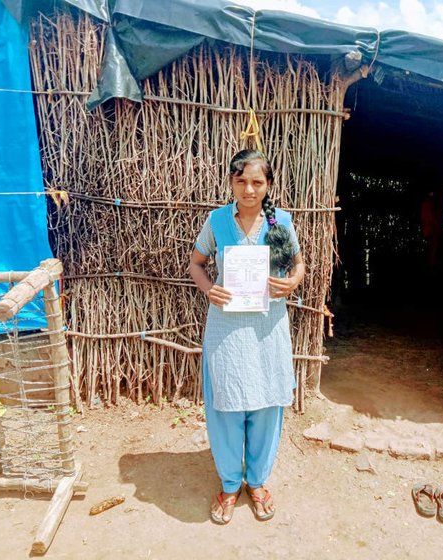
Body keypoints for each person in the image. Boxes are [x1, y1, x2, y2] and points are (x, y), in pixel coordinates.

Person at [189, 149, 305, 524]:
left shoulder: (281, 221)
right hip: (226, 329)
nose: (249, 189)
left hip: (268, 328)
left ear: (268, 185)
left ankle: (256, 482)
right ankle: (229, 483)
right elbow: (196, 263)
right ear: (231, 183)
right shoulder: (217, 221)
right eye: (241, 181)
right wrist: (209, 289)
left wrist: (291, 282)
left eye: (257, 182)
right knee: (226, 403)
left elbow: (299, 265)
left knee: (268, 403)